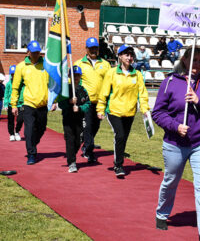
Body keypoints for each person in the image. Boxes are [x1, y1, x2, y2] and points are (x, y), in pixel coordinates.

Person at [152, 45, 200, 241]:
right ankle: (162, 213)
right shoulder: (169, 82)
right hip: (175, 143)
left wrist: (199, 101)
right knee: (171, 180)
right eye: (194, 60)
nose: (198, 65)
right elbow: (157, 113)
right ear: (184, 59)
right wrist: (175, 126)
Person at [96, 44, 150, 177]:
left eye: (131, 55)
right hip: (114, 111)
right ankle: (118, 165)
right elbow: (104, 92)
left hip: (130, 112)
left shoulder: (137, 74)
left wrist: (144, 109)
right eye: (126, 54)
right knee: (119, 135)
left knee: (123, 139)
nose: (129, 57)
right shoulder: (112, 73)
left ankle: (119, 161)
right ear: (119, 56)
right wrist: (100, 109)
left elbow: (142, 94)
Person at [11, 40, 55, 165]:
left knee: (41, 128)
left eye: (38, 52)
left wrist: (54, 101)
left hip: (43, 104)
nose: (36, 55)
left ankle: (32, 143)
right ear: (28, 52)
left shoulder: (46, 65)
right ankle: (31, 153)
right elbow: (16, 87)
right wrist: (14, 104)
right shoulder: (21, 67)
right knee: (28, 130)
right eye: (34, 53)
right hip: (28, 104)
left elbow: (52, 84)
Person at [74, 37, 112, 163]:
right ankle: (89, 152)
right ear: (86, 49)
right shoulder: (79, 63)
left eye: (95, 48)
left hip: (100, 102)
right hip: (86, 102)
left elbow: (109, 83)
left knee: (95, 127)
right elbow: (73, 81)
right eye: (91, 48)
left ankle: (85, 144)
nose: (93, 50)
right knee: (89, 126)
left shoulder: (105, 64)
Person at [58, 66, 91, 173]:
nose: (75, 77)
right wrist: (69, 102)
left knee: (79, 140)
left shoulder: (82, 90)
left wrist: (80, 108)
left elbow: (88, 104)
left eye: (77, 75)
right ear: (69, 76)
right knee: (70, 140)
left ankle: (71, 153)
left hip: (79, 119)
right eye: (73, 75)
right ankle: (72, 162)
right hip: (68, 119)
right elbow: (61, 104)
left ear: (80, 76)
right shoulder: (65, 89)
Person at [4, 65, 25, 141]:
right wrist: (6, 104)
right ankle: (11, 134)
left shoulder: (22, 83)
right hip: (11, 104)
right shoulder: (9, 84)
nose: (13, 76)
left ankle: (17, 131)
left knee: (21, 119)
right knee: (10, 120)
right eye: (12, 74)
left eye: (15, 74)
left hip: (21, 104)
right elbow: (6, 94)